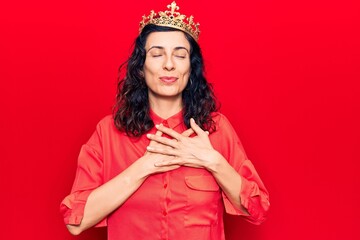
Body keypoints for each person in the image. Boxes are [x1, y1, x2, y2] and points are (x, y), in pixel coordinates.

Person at [60, 1, 270, 239]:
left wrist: (213, 161)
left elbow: (258, 210)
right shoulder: (108, 132)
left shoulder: (216, 130)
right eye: (157, 54)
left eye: (180, 55)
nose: (168, 64)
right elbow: (75, 221)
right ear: (141, 67)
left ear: (190, 68)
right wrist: (144, 167)